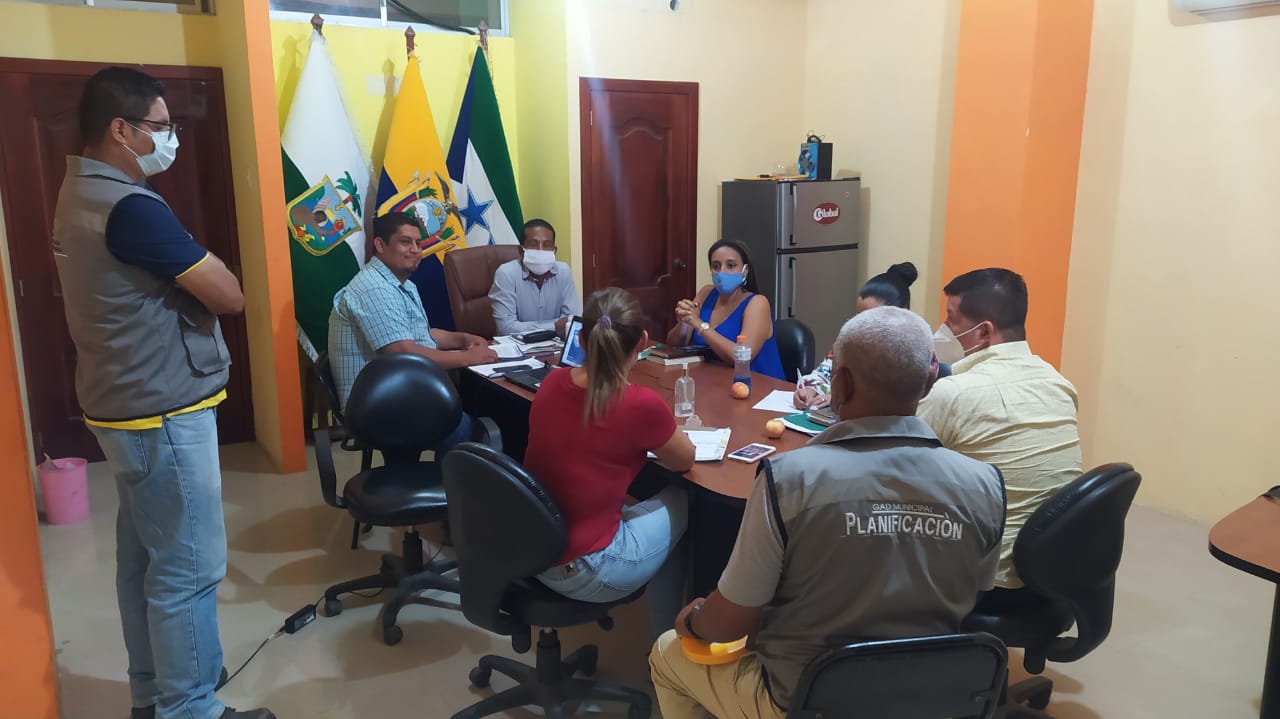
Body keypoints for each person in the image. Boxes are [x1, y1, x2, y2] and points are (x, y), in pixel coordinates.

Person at [649, 306, 1006, 718]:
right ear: (929, 380)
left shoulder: (789, 478)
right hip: (934, 699)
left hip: (807, 701)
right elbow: (975, 596)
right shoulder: (986, 484)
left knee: (668, 654)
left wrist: (694, 620)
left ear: (840, 384)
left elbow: (729, 623)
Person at [51, 67, 273, 719]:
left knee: (144, 559)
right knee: (188, 566)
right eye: (161, 125)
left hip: (122, 404)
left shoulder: (79, 190)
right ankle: (189, 706)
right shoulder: (131, 208)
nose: (170, 137)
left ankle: (154, 693)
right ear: (121, 130)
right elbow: (228, 293)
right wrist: (202, 267)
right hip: (162, 409)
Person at [525, 287, 696, 635]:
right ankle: (664, 647)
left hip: (533, 548)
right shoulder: (640, 404)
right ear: (643, 341)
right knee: (686, 500)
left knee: (638, 504)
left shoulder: (552, 382)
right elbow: (684, 460)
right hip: (584, 567)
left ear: (581, 339)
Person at [918, 267, 1082, 598]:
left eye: (952, 320)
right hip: (1058, 564)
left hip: (986, 579)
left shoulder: (953, 394)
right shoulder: (1059, 384)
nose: (944, 330)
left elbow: (897, 471)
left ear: (984, 332)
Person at [328, 211, 499, 407]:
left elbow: (419, 334)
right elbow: (403, 353)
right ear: (380, 245)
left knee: (488, 401)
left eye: (418, 243)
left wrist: (463, 339)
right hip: (377, 407)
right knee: (493, 405)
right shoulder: (374, 287)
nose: (415, 250)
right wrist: (467, 357)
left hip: (403, 392)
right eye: (405, 242)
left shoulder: (402, 284)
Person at [794, 261, 918, 409]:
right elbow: (824, 373)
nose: (861, 325)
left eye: (871, 319)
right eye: (858, 316)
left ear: (900, 316)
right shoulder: (850, 339)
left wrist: (841, 398)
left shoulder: (914, 353)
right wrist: (810, 390)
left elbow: (893, 400)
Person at [667, 239, 785, 380]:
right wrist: (684, 323)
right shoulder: (706, 293)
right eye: (716, 266)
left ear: (745, 271)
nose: (722, 272)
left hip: (757, 385)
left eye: (731, 265)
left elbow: (741, 358)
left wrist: (699, 324)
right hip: (716, 380)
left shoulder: (757, 303)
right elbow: (673, 344)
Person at [489, 218, 581, 338]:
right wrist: (556, 325)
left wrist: (564, 325)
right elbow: (506, 328)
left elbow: (573, 320)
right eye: (533, 244)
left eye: (547, 245)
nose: (540, 250)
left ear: (554, 251)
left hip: (554, 343)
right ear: (521, 250)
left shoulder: (564, 271)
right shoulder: (506, 273)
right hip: (517, 345)